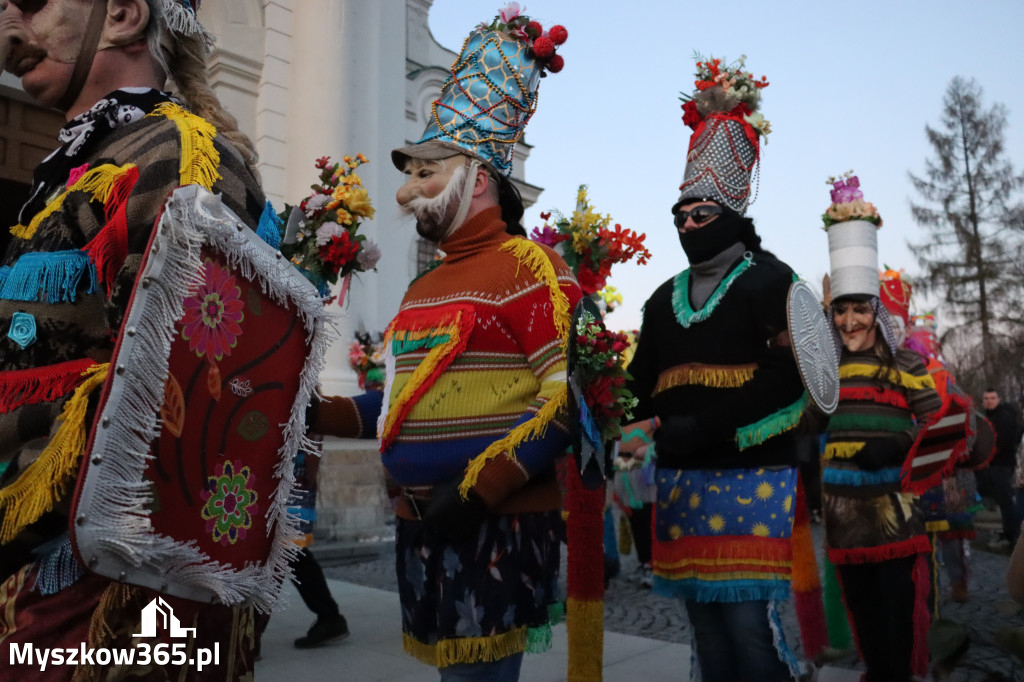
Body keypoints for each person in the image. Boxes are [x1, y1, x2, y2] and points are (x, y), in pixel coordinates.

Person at [0, 0, 269, 678]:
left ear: (121, 15)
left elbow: (167, 401)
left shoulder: (179, 154)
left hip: (95, 578)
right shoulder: (79, 164)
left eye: (31, 2)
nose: (8, 17)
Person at [310, 9, 578, 681]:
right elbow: (397, 400)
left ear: (478, 179)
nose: (408, 190)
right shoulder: (424, 286)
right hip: (423, 527)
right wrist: (313, 413)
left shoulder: (528, 267)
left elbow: (562, 401)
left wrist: (483, 489)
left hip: (496, 523)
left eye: (428, 174)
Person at [625, 55, 807, 682]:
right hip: (679, 482)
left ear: (731, 215)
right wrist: (603, 410)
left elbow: (790, 377)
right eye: (678, 217)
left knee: (750, 630)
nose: (686, 226)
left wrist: (701, 427)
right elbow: (638, 384)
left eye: (699, 216)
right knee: (703, 627)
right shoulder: (660, 297)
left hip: (751, 474)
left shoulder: (771, 279)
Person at [820, 177, 943, 681]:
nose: (849, 320)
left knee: (896, 612)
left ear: (876, 312)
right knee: (863, 613)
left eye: (859, 308)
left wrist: (900, 443)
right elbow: (801, 419)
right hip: (842, 512)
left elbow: (939, 420)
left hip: (895, 509)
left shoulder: (907, 361)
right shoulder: (822, 369)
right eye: (841, 309)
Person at [979, 387, 1023, 546]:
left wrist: (988, 457)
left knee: (1006, 500)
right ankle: (1008, 531)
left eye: (992, 398)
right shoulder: (986, 417)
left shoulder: (1004, 417)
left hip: (1002, 463)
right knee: (1002, 500)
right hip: (992, 464)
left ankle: (1011, 534)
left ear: (998, 400)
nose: (989, 401)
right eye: (986, 398)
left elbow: (1004, 443)